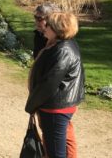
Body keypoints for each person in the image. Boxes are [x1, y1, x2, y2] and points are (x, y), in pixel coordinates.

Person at [25, 12, 85, 158]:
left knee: (55, 152)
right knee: (59, 144)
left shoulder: (63, 50)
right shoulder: (60, 44)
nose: (44, 27)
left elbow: (49, 83)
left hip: (55, 107)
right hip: (58, 105)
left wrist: (32, 104)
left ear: (58, 29)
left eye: (48, 25)